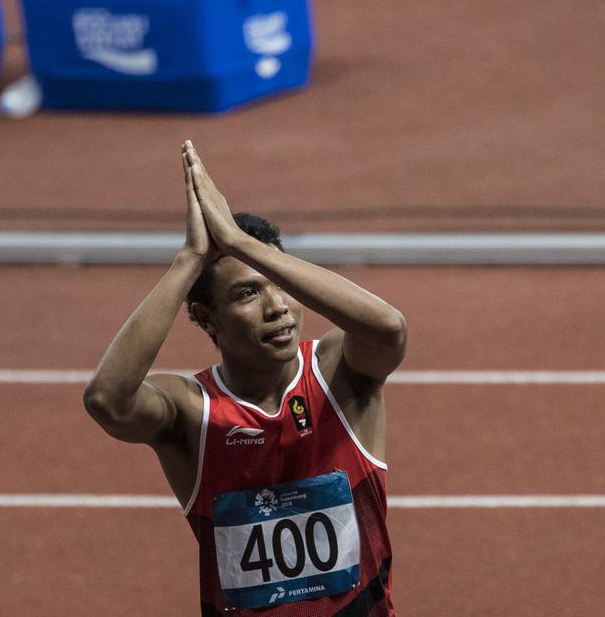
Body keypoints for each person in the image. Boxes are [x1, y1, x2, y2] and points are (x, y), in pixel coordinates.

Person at [84, 141, 406, 615]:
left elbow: (389, 328)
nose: (277, 307)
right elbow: (107, 400)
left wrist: (240, 244)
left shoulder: (340, 372)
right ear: (206, 318)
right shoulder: (191, 412)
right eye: (248, 292)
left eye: (281, 285)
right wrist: (191, 257)